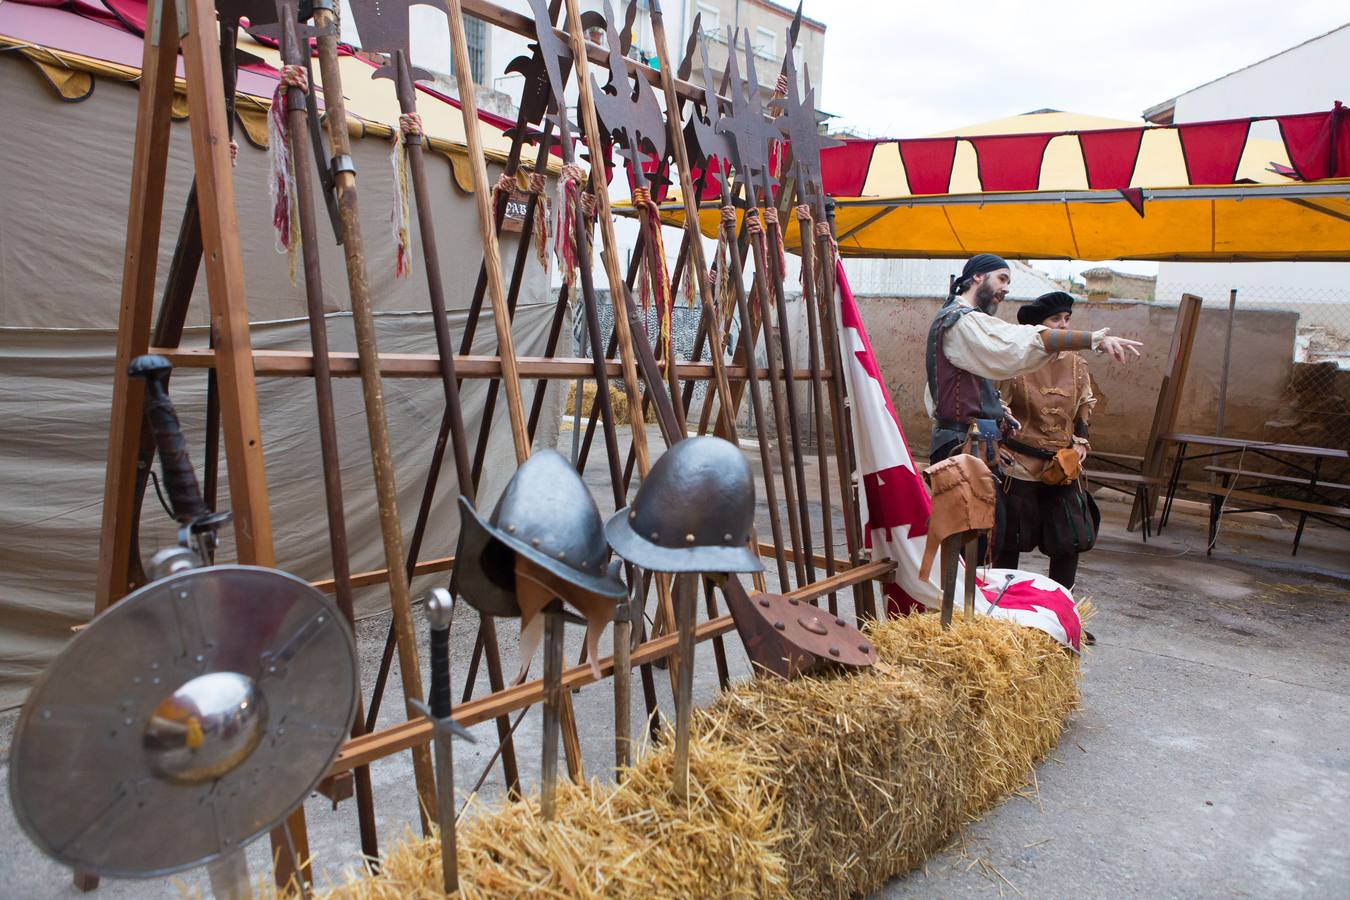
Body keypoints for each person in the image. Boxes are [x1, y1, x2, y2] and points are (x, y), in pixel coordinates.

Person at [925, 253, 1140, 465]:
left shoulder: (965, 320)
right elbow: (1020, 340)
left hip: (976, 441)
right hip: (960, 444)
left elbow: (968, 385)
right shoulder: (961, 319)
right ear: (978, 276)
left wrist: (996, 409)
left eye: (1008, 281)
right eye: (1001, 278)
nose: (1006, 287)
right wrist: (1093, 340)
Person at [994, 291, 1099, 591]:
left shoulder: (1079, 364)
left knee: (1069, 538)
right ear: (1039, 327)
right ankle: (1002, 612)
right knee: (1009, 538)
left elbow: (1085, 405)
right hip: (1019, 463)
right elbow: (994, 405)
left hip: (1063, 465)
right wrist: (997, 446)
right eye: (1056, 319)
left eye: (1067, 319)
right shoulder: (1016, 362)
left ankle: (1061, 612)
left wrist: (1081, 442)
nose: (1064, 326)